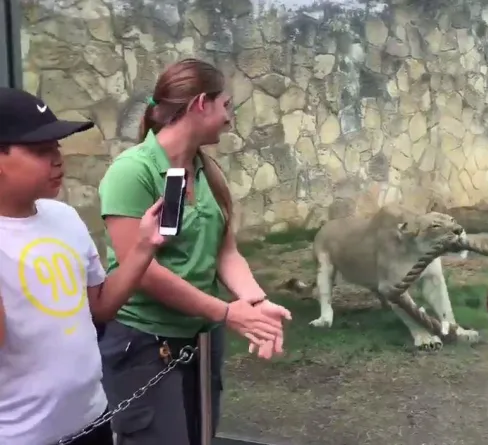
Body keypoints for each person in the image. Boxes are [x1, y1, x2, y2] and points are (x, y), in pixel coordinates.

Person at [96, 58, 291, 445]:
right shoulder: (131, 172)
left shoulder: (206, 170)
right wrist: (223, 311)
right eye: (226, 106)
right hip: (145, 344)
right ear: (201, 103)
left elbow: (226, 252)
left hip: (199, 339)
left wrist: (253, 300)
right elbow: (143, 273)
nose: (230, 119)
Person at [0, 87, 166, 445]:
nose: (58, 159)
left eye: (57, 146)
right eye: (40, 150)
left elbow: (100, 308)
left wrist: (143, 249)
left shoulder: (65, 217)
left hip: (92, 421)